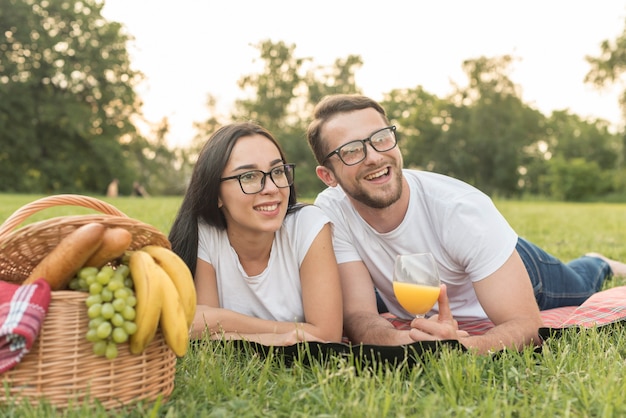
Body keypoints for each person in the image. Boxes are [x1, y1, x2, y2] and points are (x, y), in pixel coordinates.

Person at [306, 94, 626, 354]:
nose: (374, 156)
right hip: (429, 285)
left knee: (583, 284)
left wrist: (458, 348)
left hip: (520, 268)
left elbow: (526, 325)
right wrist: (395, 341)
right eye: (351, 151)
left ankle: (598, 262)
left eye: (381, 138)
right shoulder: (332, 212)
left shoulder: (460, 210)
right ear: (328, 176)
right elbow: (358, 314)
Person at [168, 122, 343, 346]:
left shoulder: (308, 225)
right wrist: (280, 336)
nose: (271, 188)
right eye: (249, 176)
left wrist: (223, 323)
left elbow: (326, 336)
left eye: (277, 171)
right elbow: (201, 332)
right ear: (216, 195)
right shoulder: (207, 233)